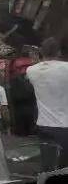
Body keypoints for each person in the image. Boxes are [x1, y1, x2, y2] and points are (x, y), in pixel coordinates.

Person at [26, 37, 68, 171]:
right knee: (64, 166)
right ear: (59, 52)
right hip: (64, 126)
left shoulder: (31, 70)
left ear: (41, 53)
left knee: (48, 164)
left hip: (43, 125)